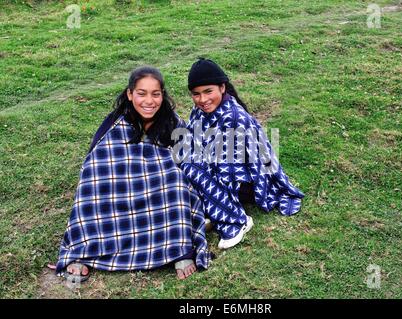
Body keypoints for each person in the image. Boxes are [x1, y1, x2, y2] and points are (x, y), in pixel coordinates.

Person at [54, 66, 212, 282]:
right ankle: (84, 250)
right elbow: (97, 159)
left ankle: (177, 249)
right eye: (141, 93)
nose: (149, 101)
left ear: (162, 95)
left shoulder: (171, 121)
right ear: (130, 94)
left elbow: (190, 155)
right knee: (92, 182)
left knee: (175, 182)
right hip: (120, 187)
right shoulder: (114, 124)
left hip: (159, 185)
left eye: (155, 94)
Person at [173, 58, 305, 250]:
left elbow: (227, 172)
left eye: (208, 91)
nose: (202, 100)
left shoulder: (233, 118)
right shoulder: (199, 111)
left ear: (222, 88)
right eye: (196, 94)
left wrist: (193, 168)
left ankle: (236, 221)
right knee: (177, 161)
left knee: (190, 169)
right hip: (218, 167)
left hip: (244, 182)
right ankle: (205, 210)